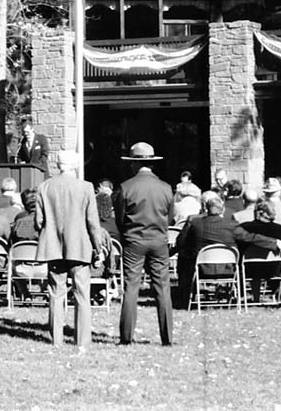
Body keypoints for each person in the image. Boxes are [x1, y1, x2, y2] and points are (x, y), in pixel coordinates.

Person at [36, 150, 109, 349]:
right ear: (75, 166)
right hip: (79, 246)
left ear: (58, 165)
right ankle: (82, 339)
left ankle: (56, 339)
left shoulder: (44, 187)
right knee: (82, 293)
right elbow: (93, 222)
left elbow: (39, 221)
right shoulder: (86, 187)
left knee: (55, 293)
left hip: (54, 246)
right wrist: (98, 248)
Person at [114, 142, 173, 346]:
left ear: (134, 164)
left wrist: (128, 233)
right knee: (163, 288)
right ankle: (167, 338)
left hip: (134, 240)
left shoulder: (126, 187)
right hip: (158, 241)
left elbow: (120, 218)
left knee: (131, 287)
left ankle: (126, 337)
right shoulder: (166, 188)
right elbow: (169, 217)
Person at [174, 196, 239, 308]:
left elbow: (181, 242)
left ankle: (184, 296)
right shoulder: (233, 225)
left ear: (206, 209)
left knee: (184, 257)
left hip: (201, 269)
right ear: (223, 209)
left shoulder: (195, 223)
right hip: (228, 268)